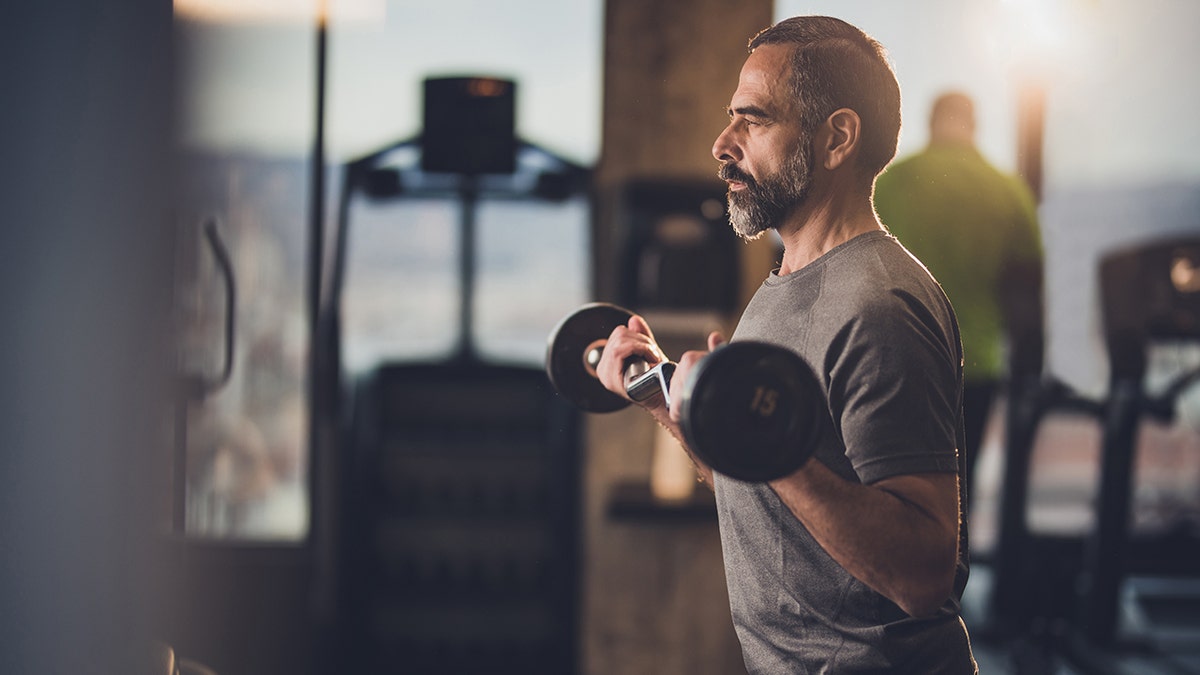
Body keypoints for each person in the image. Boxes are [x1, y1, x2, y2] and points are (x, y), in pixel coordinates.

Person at [595, 16, 977, 673]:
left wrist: (758, 438)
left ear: (836, 138)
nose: (722, 143)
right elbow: (762, 487)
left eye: (755, 120)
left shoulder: (880, 306)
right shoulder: (784, 284)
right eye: (730, 119)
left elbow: (924, 575)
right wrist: (669, 401)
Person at [874, 91, 1043, 510]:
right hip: (973, 369)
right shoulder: (1008, 191)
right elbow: (1025, 297)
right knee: (954, 498)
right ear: (974, 125)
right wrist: (1029, 379)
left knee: (883, 492)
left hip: (891, 361)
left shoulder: (890, 182)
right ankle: (946, 574)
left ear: (931, 123)